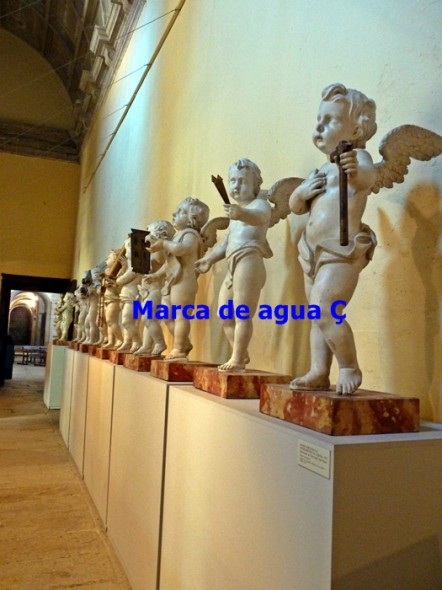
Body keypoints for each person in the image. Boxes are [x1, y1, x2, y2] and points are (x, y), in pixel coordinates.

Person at [289, 83, 377, 395]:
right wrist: (301, 193)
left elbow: (368, 178)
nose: (319, 127)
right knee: (316, 316)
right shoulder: (322, 171)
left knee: (325, 309)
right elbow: (296, 207)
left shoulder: (359, 158)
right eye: (319, 120)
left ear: (356, 129)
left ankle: (349, 366)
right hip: (311, 252)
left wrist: (356, 170)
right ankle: (318, 370)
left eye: (330, 121)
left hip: (341, 250)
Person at [195, 158, 272, 371]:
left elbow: (259, 217)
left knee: (242, 313)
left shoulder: (259, 205)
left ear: (255, 185)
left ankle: (237, 359)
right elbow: (226, 244)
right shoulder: (236, 215)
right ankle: (240, 352)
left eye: (243, 181)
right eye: (233, 181)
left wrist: (242, 213)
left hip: (249, 260)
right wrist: (209, 259)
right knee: (224, 314)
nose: (236, 186)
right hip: (233, 266)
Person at [146, 197, 209, 360]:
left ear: (192, 219)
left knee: (181, 315)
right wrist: (156, 275)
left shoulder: (191, 235)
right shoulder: (177, 237)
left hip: (184, 282)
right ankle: (184, 343)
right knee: (166, 315)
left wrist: (164, 244)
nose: (174, 214)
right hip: (173, 282)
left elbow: (182, 250)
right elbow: (170, 263)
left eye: (181, 212)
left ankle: (179, 350)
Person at [135, 220, 175, 356]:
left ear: (162, 235)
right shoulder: (152, 250)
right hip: (146, 290)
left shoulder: (161, 250)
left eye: (150, 233)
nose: (147, 237)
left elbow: (160, 261)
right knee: (148, 319)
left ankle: (159, 343)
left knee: (148, 317)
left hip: (156, 289)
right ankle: (147, 345)